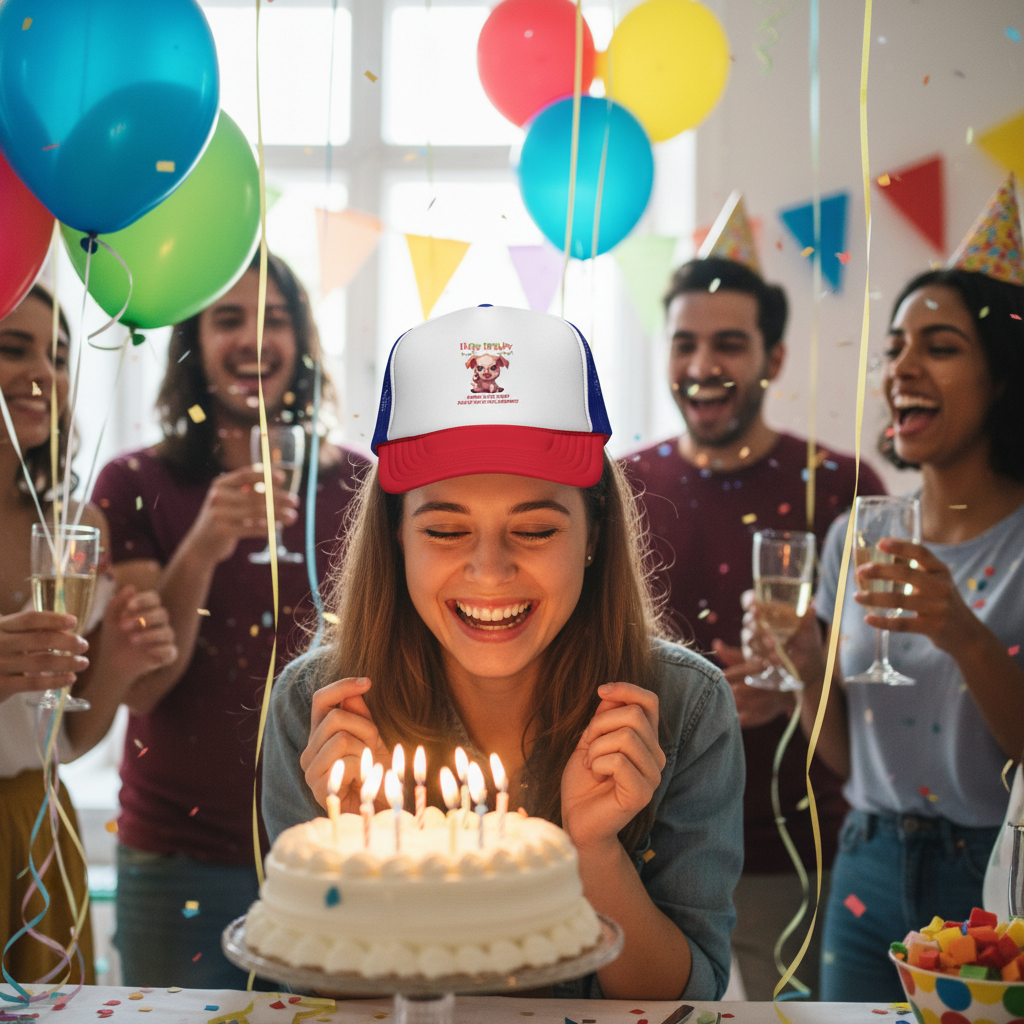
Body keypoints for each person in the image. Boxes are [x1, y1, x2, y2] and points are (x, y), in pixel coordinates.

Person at [262, 304, 745, 1000]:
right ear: (397, 537)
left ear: (593, 534)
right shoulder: (318, 712)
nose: (490, 572)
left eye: (537, 530)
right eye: (447, 531)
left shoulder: (685, 709)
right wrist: (365, 856)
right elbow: (319, 997)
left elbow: (681, 997)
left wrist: (593, 851)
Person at [767, 177, 1024, 999]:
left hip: (992, 871)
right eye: (894, 348)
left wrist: (965, 633)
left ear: (1003, 378)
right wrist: (809, 670)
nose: (902, 366)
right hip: (866, 860)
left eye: (939, 347)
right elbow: (850, 759)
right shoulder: (858, 535)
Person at [624, 196, 886, 1000]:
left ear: (772, 358)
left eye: (730, 344)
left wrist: (802, 686)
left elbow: (889, 687)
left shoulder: (846, 487)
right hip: (642, 847)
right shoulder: (621, 486)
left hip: (803, 847)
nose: (704, 364)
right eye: (686, 343)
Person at [92, 253, 370, 988]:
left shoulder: (360, 484)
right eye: (227, 320)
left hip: (331, 856)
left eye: (274, 320)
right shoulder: (133, 483)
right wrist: (206, 543)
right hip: (175, 860)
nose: (253, 339)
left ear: (303, 342)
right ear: (194, 345)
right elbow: (145, 685)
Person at [1, 285, 176, 986]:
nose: (44, 374)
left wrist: (119, 667)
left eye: (60, 356)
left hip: (37, 828)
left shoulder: (76, 525)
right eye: (14, 350)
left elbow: (67, 741)